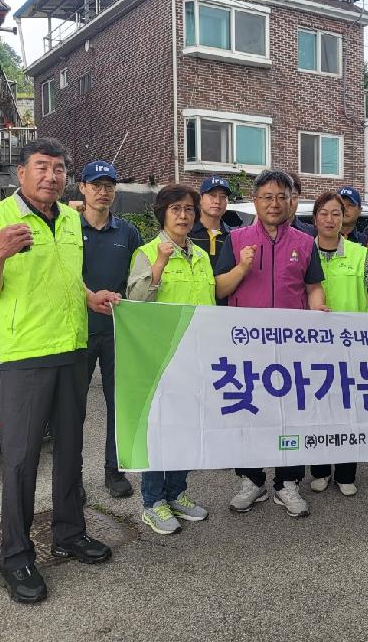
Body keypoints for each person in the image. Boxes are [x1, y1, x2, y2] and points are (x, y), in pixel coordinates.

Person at [0, 138, 118, 604]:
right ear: (21, 174)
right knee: (21, 460)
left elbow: (69, 277)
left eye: (58, 169)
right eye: (41, 167)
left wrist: (89, 297)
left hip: (72, 348)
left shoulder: (71, 219)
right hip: (26, 355)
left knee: (71, 451)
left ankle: (69, 534)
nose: (50, 176)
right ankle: (15, 558)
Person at [214, 169, 327, 518]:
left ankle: (287, 482)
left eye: (281, 196)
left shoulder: (305, 242)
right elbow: (219, 289)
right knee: (249, 412)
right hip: (247, 348)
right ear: (255, 200)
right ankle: (251, 480)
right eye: (267, 197)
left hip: (292, 348)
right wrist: (243, 268)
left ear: (291, 200)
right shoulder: (235, 240)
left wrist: (318, 307)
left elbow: (313, 288)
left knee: (289, 415)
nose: (274, 203)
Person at [126, 184, 212, 534]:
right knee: (159, 429)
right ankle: (153, 501)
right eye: (176, 208)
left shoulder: (202, 256)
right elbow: (135, 300)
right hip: (159, 357)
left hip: (196, 357)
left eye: (189, 209)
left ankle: (177, 492)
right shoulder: (146, 252)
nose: (183, 215)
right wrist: (160, 263)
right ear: (163, 213)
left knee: (187, 429)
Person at [307, 191, 368, 497]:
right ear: (315, 218)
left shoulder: (357, 251)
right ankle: (321, 470)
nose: (330, 219)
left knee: (348, 411)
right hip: (312, 344)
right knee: (317, 408)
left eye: (336, 214)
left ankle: (346, 472)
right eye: (324, 214)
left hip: (351, 345)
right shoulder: (303, 250)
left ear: (344, 218)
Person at [78, 160, 142, 500]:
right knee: (73, 408)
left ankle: (113, 470)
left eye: (109, 185)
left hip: (119, 331)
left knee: (119, 404)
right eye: (96, 185)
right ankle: (71, 477)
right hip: (78, 330)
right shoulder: (68, 228)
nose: (103, 191)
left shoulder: (127, 232)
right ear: (83, 188)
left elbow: (139, 279)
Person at [189, 176, 233, 269]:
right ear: (200, 199)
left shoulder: (232, 237)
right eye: (212, 195)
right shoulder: (187, 234)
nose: (217, 201)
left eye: (223, 197)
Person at [287, 171, 316, 236]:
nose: (289, 203)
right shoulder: (265, 233)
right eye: (283, 197)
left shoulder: (311, 233)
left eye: (294, 197)